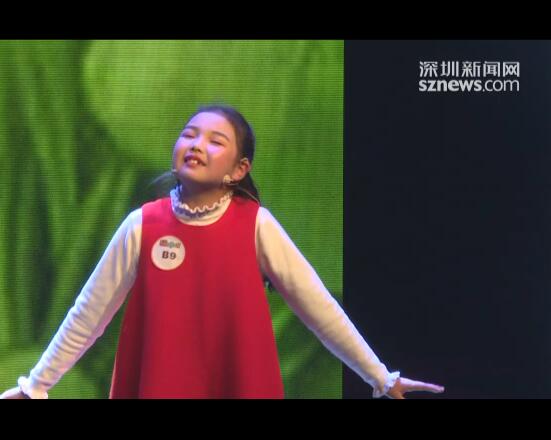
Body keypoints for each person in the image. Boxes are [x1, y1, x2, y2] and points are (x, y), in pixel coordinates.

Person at [0, 104, 444, 399]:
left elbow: (318, 308)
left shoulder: (257, 225)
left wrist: (379, 376)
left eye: (215, 141)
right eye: (189, 135)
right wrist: (36, 385)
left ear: (238, 169)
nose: (196, 144)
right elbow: (89, 315)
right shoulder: (142, 225)